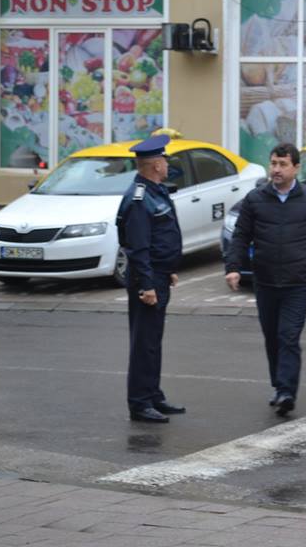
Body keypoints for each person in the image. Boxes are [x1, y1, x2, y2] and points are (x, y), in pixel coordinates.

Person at [225, 143, 306, 416]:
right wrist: (234, 267)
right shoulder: (256, 199)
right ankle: (279, 385)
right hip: (265, 280)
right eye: (273, 163)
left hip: (297, 281)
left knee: (288, 336)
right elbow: (241, 235)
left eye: (282, 164)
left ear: (296, 168)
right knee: (272, 337)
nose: (276, 169)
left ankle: (287, 391)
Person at [116, 134, 184, 423]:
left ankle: (153, 394)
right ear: (155, 164)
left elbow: (160, 237)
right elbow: (138, 247)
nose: (167, 163)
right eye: (164, 159)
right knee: (144, 342)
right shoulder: (139, 199)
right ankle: (140, 403)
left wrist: (168, 268)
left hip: (158, 276)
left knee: (153, 341)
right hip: (147, 281)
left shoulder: (156, 191)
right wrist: (146, 285)